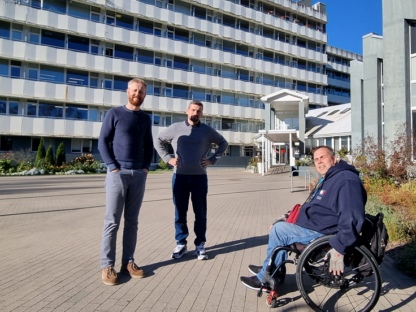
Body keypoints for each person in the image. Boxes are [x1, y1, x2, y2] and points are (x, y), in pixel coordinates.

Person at [240, 146, 367, 290]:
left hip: (322, 231)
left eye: (323, 157)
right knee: (280, 225)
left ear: (334, 158)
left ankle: (267, 278)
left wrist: (340, 246)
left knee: (279, 231)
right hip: (314, 225)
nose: (319, 162)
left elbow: (352, 217)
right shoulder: (330, 177)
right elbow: (314, 205)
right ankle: (273, 270)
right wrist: (288, 216)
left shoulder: (345, 179)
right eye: (316, 159)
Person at [154, 100, 228, 260]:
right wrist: (168, 158)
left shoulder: (207, 131)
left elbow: (223, 143)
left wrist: (212, 160)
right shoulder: (175, 128)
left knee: (200, 213)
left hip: (199, 178)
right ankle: (181, 243)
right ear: (187, 111)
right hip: (179, 177)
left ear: (202, 114)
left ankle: (200, 244)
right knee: (180, 212)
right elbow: (158, 140)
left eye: (199, 111)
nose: (196, 113)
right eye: (193, 110)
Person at [98, 78, 153, 286]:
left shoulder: (145, 119)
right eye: (134, 90)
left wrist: (145, 167)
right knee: (112, 221)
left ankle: (128, 263)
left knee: (132, 221)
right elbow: (103, 141)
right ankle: (107, 265)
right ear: (127, 91)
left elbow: (149, 145)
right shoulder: (114, 114)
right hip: (117, 173)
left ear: (144, 96)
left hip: (138, 174)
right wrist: (112, 166)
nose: (137, 94)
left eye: (141, 92)